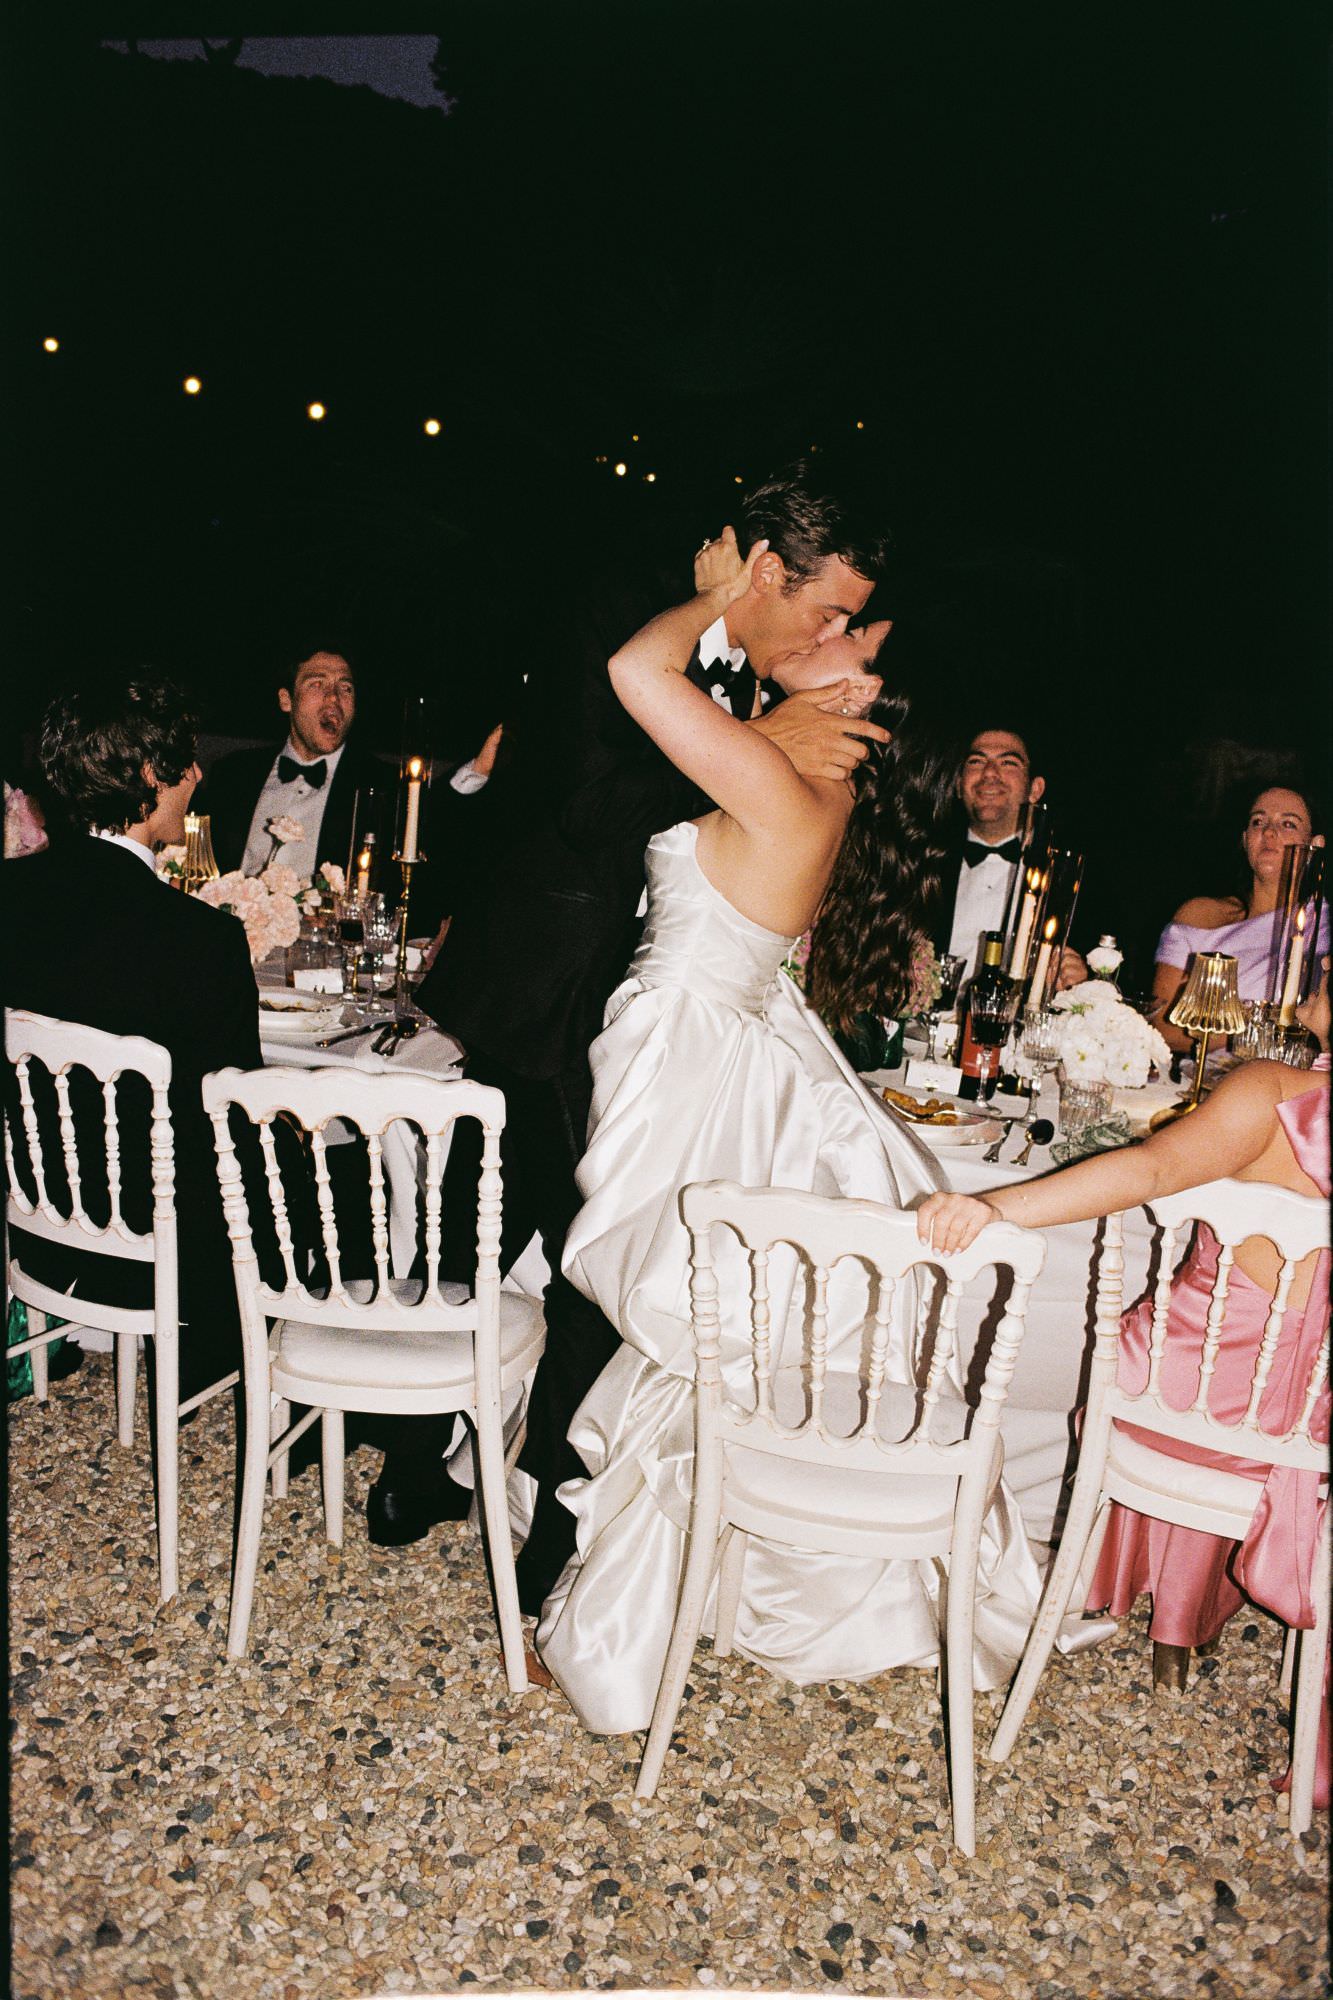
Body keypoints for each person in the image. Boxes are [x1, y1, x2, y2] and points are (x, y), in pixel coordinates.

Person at [531, 531, 1050, 1733]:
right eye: (836, 620)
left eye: (848, 645)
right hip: (717, 1041)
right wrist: (769, 703)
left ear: (861, 703)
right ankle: (662, 1586)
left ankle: (621, 1620)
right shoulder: (799, 774)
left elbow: (634, 673)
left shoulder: (780, 781)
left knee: (680, 1334)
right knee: (692, 1332)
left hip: (687, 1053)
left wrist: (717, 595)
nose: (828, 637)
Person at [402, 460, 898, 1587]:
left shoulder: (771, 681)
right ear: (765, 571)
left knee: (584, 1258)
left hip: (654, 1011)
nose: (838, 636)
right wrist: (758, 740)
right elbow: (590, 801)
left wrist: (763, 740)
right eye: (831, 612)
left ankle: (535, 1521)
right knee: (516, 1244)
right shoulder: (615, 609)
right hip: (549, 984)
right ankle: (434, 1471)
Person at [916, 970, 1330, 1806]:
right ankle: (1185, 1619)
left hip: (1175, 1404)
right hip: (1307, 1427)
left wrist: (996, 1206)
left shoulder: (1270, 1092)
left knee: (1153, 1333)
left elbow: (1148, 1170)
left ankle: (1156, 1605)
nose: (1307, 988)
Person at [4, 676, 263, 1409]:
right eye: (185, 761)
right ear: (149, 775)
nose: (199, 774)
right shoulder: (202, 939)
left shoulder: (11, 895)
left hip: (37, 1222)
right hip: (158, 1251)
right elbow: (234, 1128)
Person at [195, 645, 501, 884]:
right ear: (286, 700)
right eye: (317, 684)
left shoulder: (380, 784)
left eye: (346, 688)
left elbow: (433, 829)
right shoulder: (234, 774)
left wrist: (478, 770)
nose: (333, 698)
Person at [1154, 784, 1328, 1051]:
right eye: (1258, 821)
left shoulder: (1323, 927)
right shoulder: (1201, 916)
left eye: (1288, 824)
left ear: (1315, 845)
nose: (1269, 832)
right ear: (1245, 839)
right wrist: (1258, 1028)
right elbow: (1161, 1027)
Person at [936, 723, 1086, 988]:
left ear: (1035, 789)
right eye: (976, 761)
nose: (990, 773)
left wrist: (1078, 982)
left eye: (1008, 763)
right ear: (958, 785)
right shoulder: (920, 864)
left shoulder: (1065, 877)